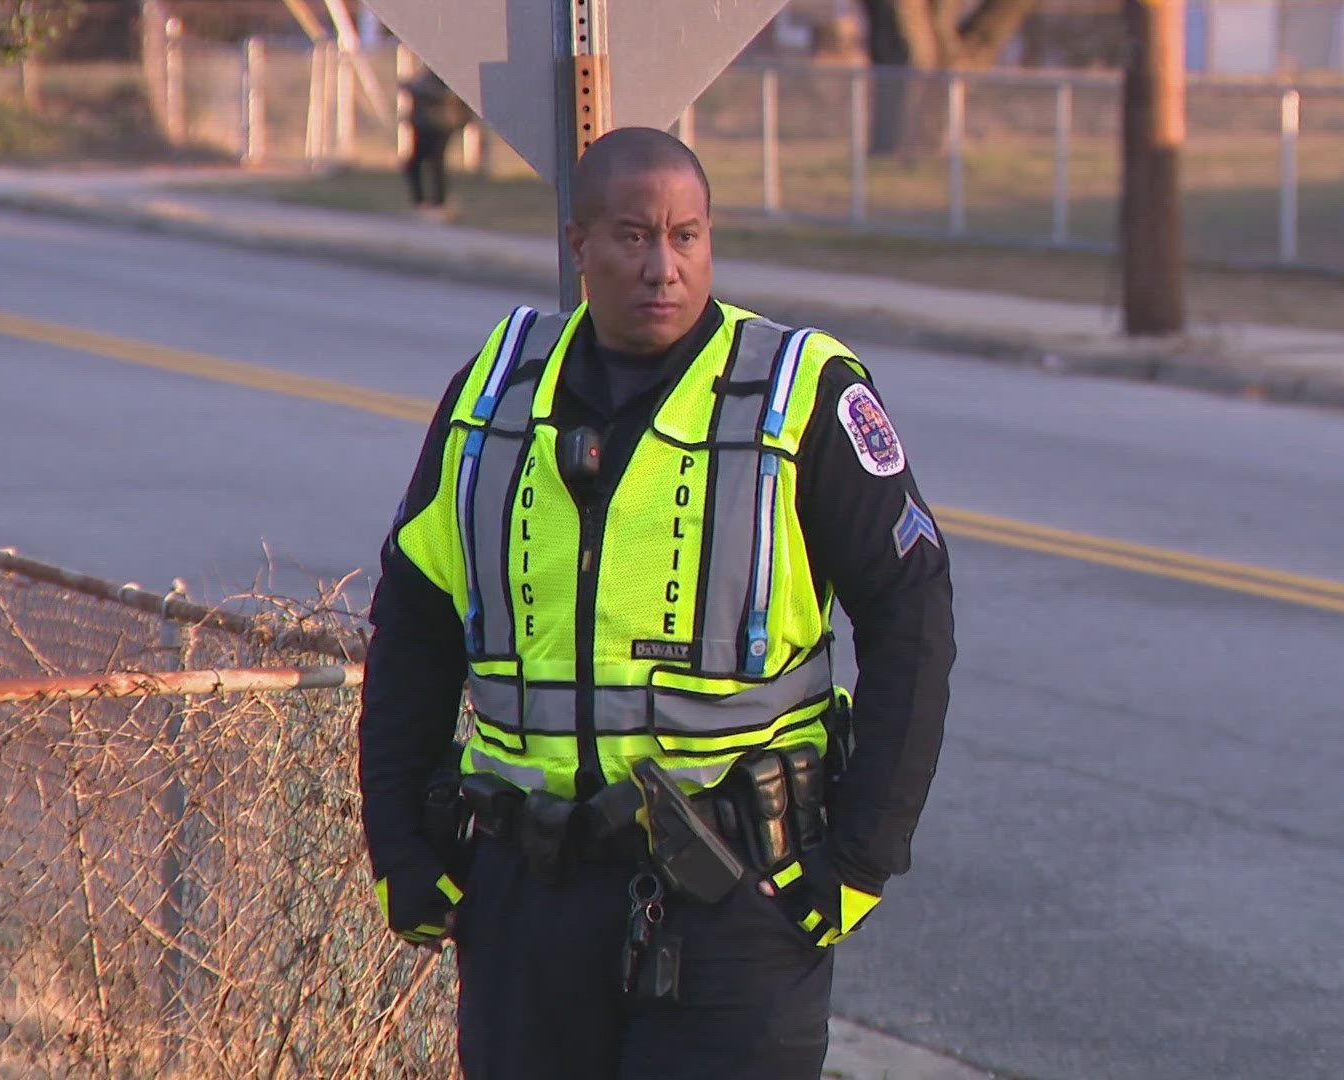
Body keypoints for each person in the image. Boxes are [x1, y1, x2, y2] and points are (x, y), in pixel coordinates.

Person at [359, 126, 954, 1080]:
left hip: (738, 902)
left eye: (687, 236)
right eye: (633, 237)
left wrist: (861, 861)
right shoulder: (492, 395)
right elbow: (415, 625)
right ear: (577, 246)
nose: (663, 268)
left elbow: (913, 618)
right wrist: (398, 842)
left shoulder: (800, 398)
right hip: (526, 901)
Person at [401, 67, 470, 214]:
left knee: (436, 163)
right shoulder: (431, 73)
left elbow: (446, 95)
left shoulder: (445, 75)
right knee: (417, 163)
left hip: (440, 125)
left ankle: (438, 202)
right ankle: (424, 202)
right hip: (424, 124)